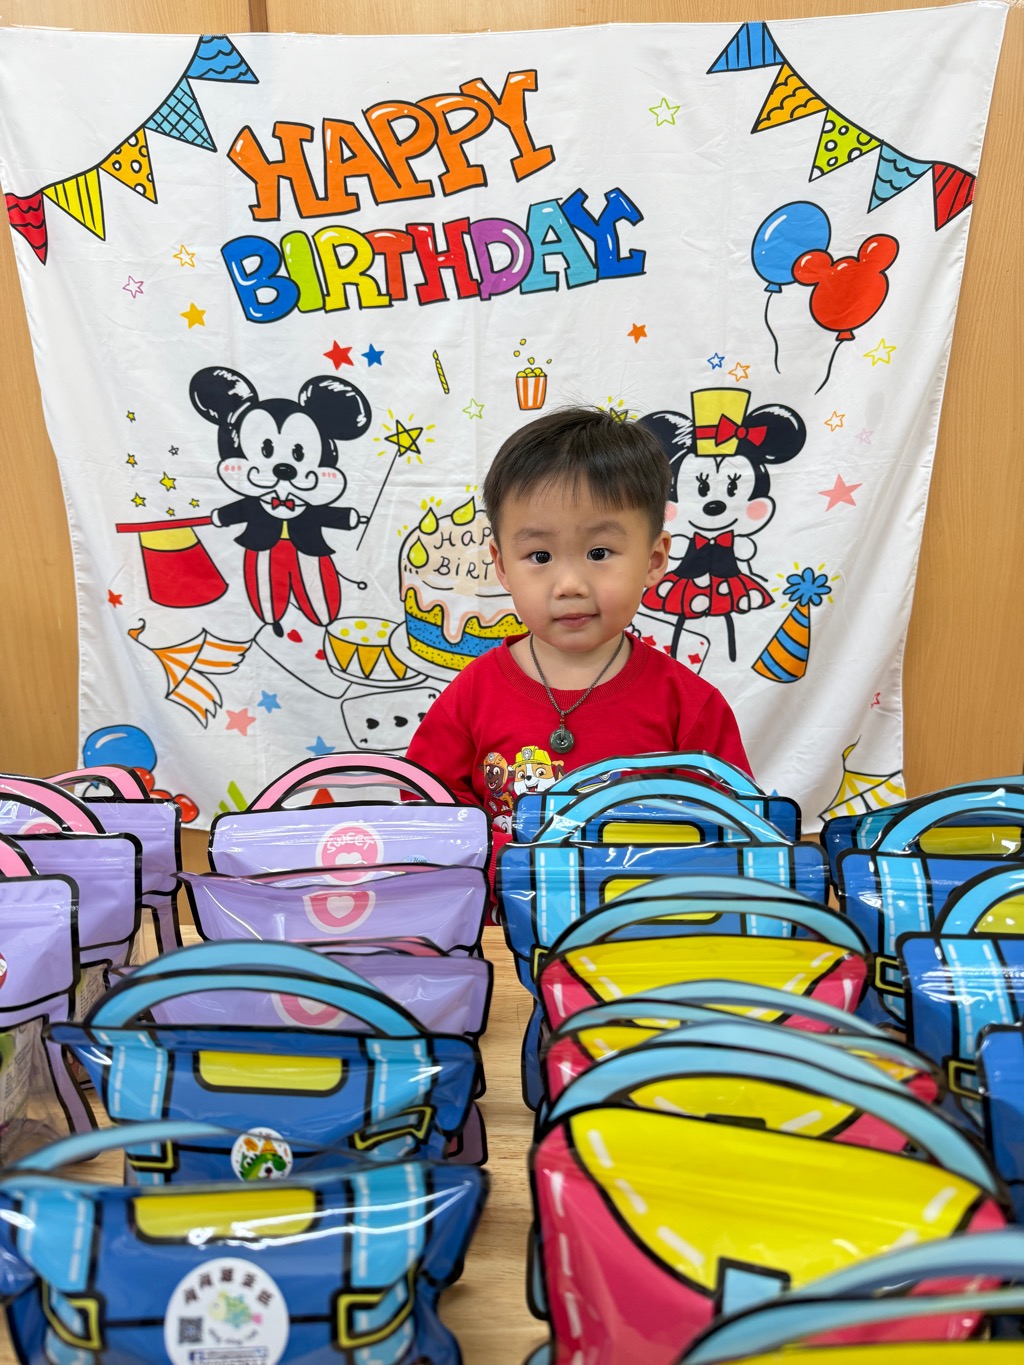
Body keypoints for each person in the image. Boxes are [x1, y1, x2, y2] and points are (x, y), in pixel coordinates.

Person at [404, 405, 751, 850]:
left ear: (654, 560)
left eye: (599, 553)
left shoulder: (690, 705)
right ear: (502, 566)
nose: (569, 585)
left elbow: (731, 829)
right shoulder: (472, 694)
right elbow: (426, 804)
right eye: (540, 556)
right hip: (504, 896)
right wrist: (500, 866)